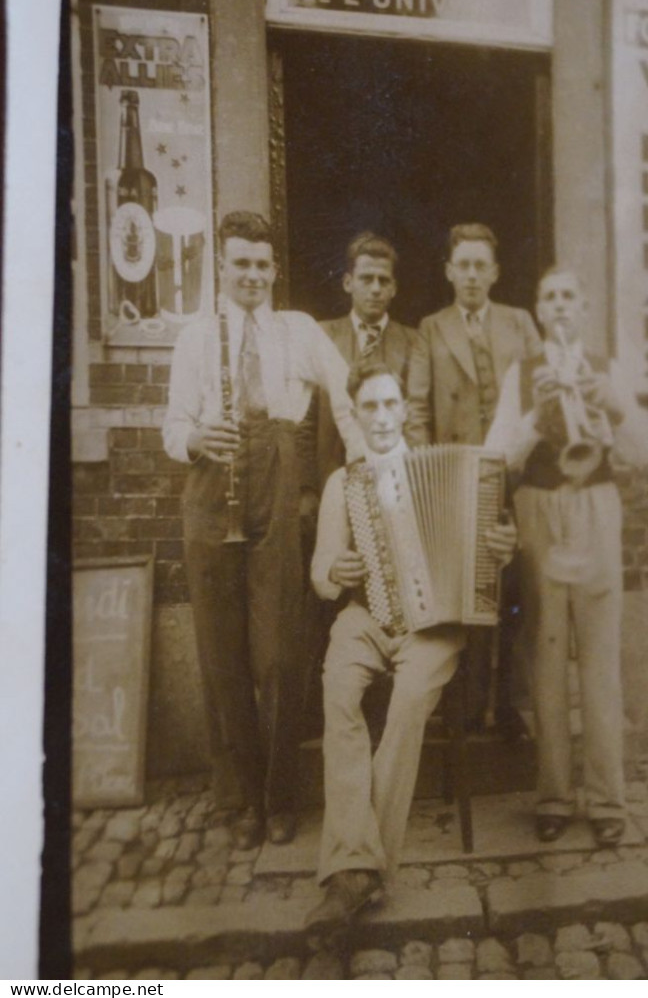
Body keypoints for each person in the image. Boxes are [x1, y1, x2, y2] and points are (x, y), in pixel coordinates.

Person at [163, 210, 363, 848]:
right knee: (223, 657)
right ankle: (243, 798)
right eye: (239, 263)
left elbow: (344, 390)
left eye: (261, 264)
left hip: (275, 485)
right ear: (221, 268)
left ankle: (280, 798)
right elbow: (171, 426)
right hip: (210, 484)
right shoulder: (195, 338)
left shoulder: (297, 330)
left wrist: (364, 458)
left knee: (277, 654)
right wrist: (195, 437)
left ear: (275, 270)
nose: (251, 274)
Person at [305, 362, 517, 937]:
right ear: (356, 415)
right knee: (339, 692)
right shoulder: (341, 484)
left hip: (435, 627)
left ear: (404, 410)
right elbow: (321, 572)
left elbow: (488, 559)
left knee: (404, 710)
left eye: (388, 405)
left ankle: (354, 873)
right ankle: (360, 868)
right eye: (367, 407)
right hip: (364, 617)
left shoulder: (456, 474)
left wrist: (500, 548)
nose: (379, 417)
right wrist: (335, 569)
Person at [485, 268, 648, 846]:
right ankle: (555, 796)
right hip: (539, 508)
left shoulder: (607, 367)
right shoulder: (523, 372)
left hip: (595, 506)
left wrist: (609, 403)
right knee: (546, 656)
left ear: (583, 309)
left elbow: (642, 451)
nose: (559, 306)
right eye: (549, 297)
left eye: (568, 297)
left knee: (601, 659)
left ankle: (608, 799)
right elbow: (498, 458)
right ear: (538, 310)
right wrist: (536, 418)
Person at [405, 222, 541, 727]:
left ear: (495, 272)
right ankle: (463, 704)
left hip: (515, 474)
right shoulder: (432, 328)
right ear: (448, 271)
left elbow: (539, 395)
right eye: (463, 265)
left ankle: (508, 703)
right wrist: (432, 476)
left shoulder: (521, 323)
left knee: (515, 592)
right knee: (467, 592)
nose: (471, 275)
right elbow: (416, 409)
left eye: (481, 265)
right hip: (459, 480)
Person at [299, 230, 416, 497]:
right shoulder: (322, 336)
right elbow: (304, 419)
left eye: (383, 280)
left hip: (394, 487)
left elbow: (416, 418)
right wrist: (306, 489)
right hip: (330, 482)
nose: (375, 288)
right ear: (348, 282)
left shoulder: (413, 342)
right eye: (366, 279)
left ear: (394, 288)